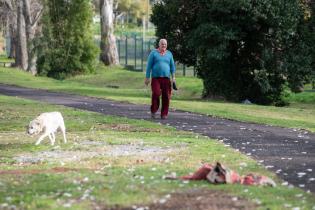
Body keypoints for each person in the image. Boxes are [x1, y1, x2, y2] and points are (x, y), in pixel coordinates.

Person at [145, 39, 176, 119]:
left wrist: (173, 77)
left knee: (166, 96)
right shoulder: (153, 53)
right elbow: (149, 66)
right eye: (162, 44)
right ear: (159, 45)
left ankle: (164, 114)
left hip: (166, 78)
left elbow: (172, 67)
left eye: (165, 44)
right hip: (156, 78)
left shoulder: (169, 54)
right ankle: (154, 110)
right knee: (156, 93)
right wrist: (147, 77)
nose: (164, 46)